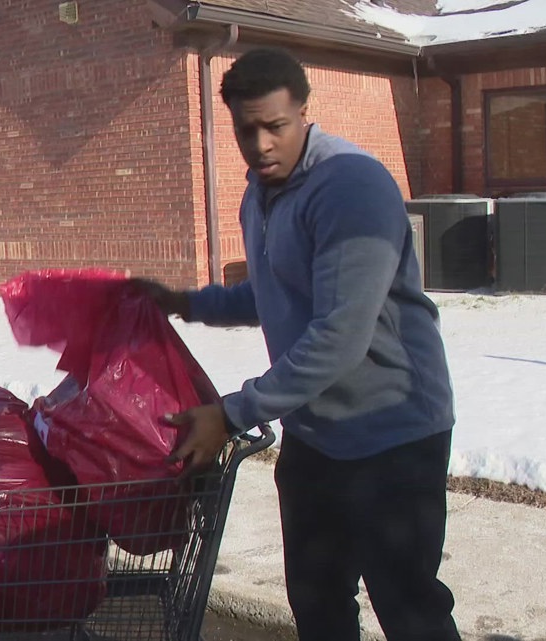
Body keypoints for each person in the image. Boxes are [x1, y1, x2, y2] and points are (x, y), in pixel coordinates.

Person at [137, 48, 459, 641]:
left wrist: (231, 414)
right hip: (316, 436)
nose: (260, 144)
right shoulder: (261, 192)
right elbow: (273, 292)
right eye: (245, 129)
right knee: (316, 598)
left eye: (275, 127)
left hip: (393, 434)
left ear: (304, 113)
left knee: (409, 607)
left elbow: (340, 334)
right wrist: (184, 302)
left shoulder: (351, 188)